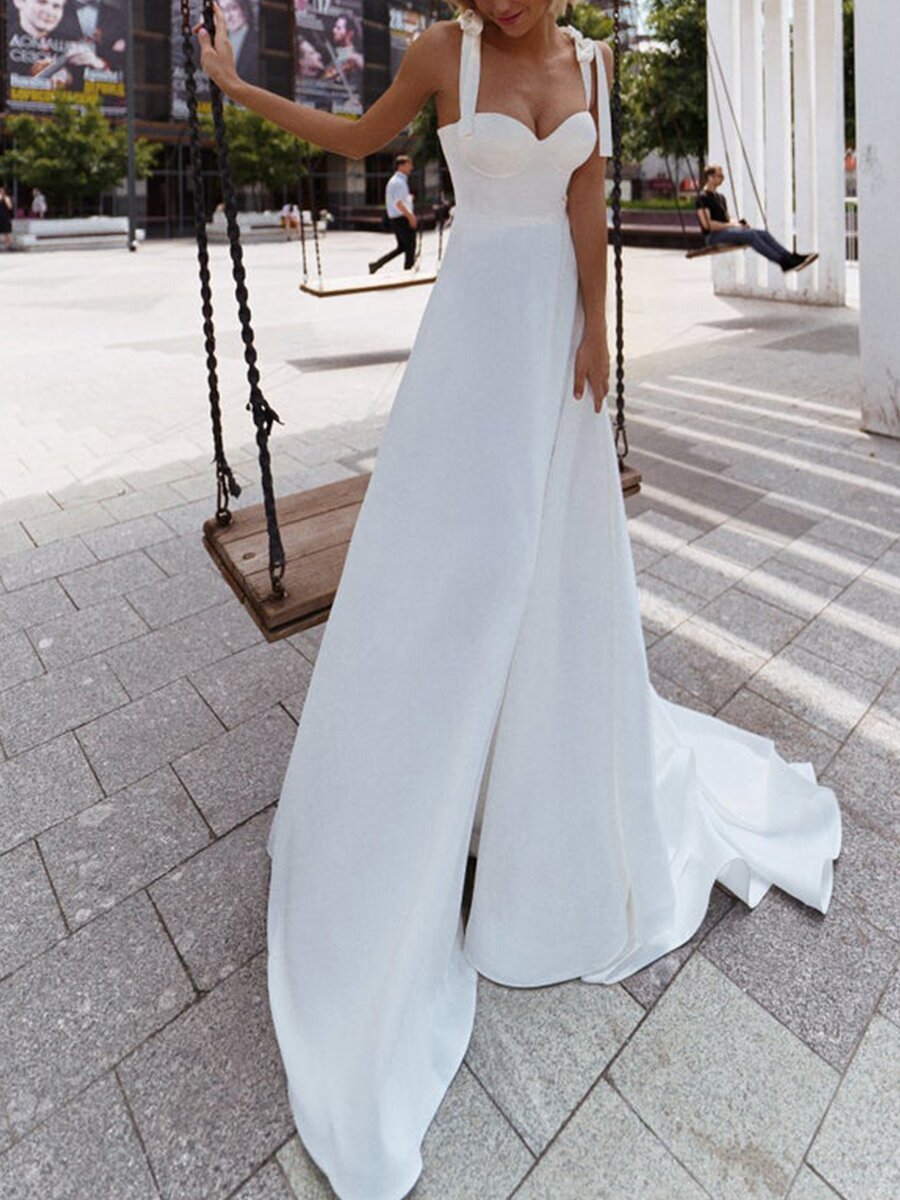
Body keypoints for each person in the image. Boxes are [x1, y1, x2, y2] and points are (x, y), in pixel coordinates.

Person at [197, 5, 841, 1197]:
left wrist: (597, 333)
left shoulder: (587, 60)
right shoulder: (451, 52)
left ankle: (524, 792)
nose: (500, 2)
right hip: (470, 353)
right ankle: (407, 806)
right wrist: (236, 86)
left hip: (552, 347)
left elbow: (585, 211)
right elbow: (354, 139)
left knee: (549, 581)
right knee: (459, 578)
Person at [696, 164, 818, 272]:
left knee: (762, 233)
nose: (723, 178)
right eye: (720, 176)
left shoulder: (720, 197)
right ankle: (784, 262)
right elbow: (708, 225)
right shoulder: (702, 198)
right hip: (713, 237)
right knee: (751, 236)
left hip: (726, 231)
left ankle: (790, 257)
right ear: (710, 178)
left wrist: (738, 223)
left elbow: (727, 219)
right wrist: (733, 225)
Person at [368, 153, 417, 274]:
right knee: (410, 246)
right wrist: (411, 217)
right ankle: (408, 271)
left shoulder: (396, 181)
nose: (411, 167)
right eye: (409, 164)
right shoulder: (399, 182)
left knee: (402, 247)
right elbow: (398, 203)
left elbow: (399, 200)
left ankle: (377, 264)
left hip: (397, 218)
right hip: (401, 218)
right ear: (401, 166)